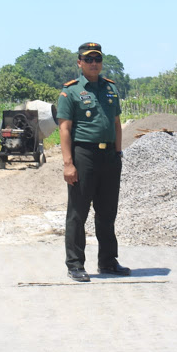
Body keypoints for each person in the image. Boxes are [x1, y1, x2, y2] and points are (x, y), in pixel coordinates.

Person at [56, 42, 130, 282]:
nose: (93, 63)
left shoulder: (110, 89)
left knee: (107, 212)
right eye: (88, 59)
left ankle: (108, 261)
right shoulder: (71, 92)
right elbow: (65, 128)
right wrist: (68, 163)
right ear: (79, 63)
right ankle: (75, 264)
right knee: (78, 212)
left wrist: (118, 154)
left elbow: (117, 123)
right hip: (84, 155)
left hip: (109, 157)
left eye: (97, 59)